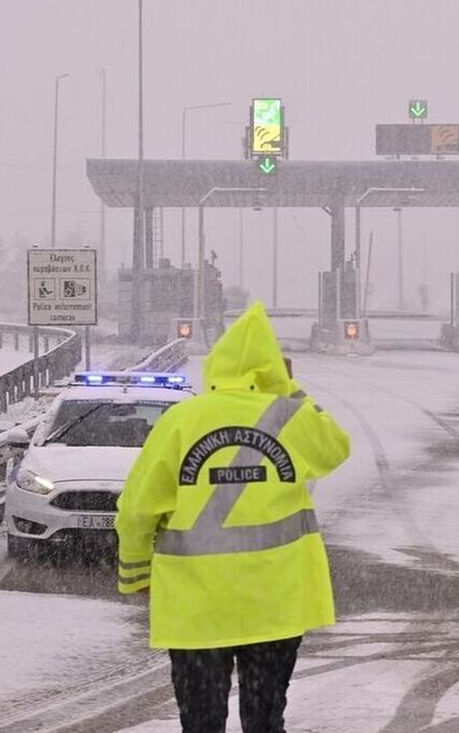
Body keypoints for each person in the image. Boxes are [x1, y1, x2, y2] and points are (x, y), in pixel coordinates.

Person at [115, 301, 351, 733]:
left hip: (196, 608)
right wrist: (289, 389)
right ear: (271, 368)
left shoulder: (181, 420)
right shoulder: (289, 416)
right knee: (264, 719)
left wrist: (135, 574)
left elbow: (135, 509)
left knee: (201, 723)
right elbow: (335, 449)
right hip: (274, 602)